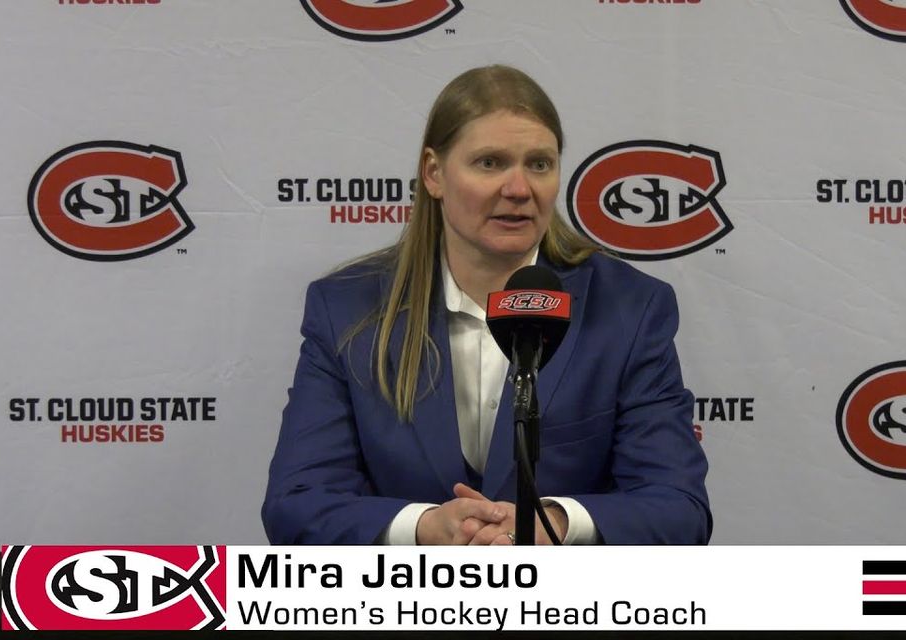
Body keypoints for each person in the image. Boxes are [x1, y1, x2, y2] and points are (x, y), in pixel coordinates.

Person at [262, 65, 711, 545]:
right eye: (490, 163)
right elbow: (297, 504)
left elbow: (678, 508)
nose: (519, 189)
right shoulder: (346, 309)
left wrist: (554, 525)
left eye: (539, 164)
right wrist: (424, 529)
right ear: (434, 173)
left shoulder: (630, 308)